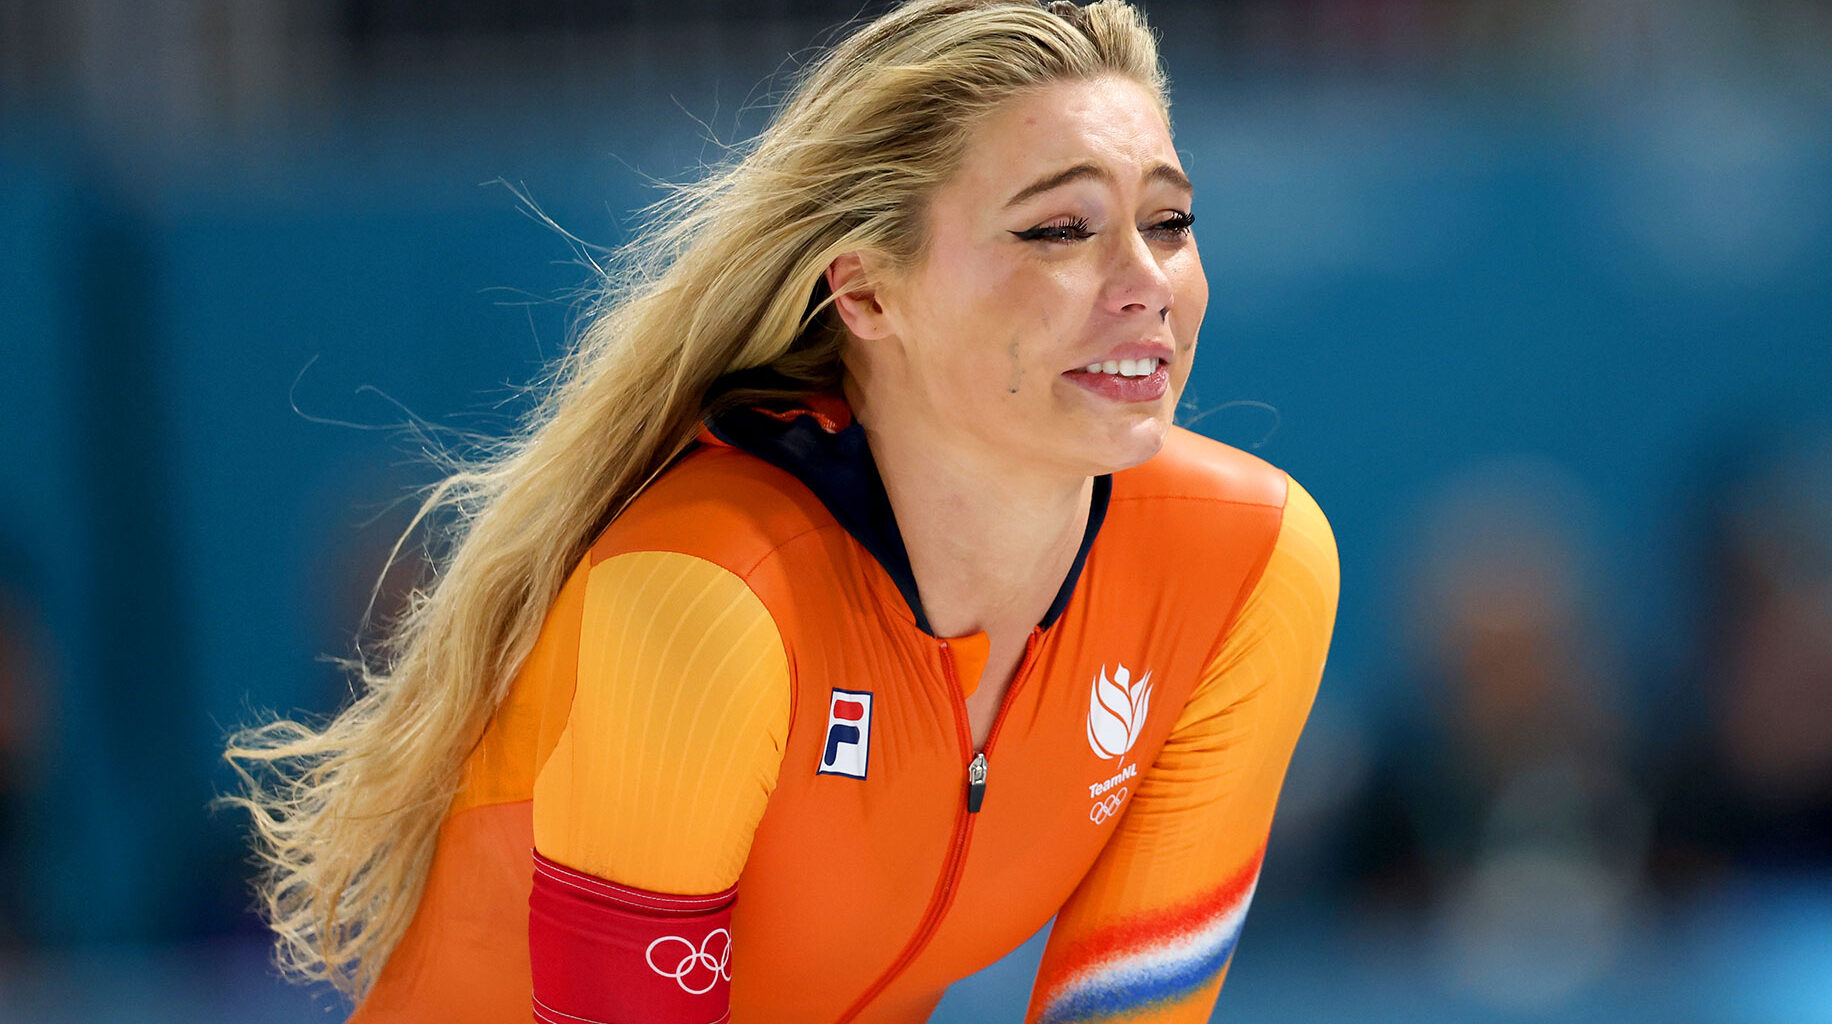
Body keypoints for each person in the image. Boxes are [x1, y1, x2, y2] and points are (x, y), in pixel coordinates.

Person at [224, 1, 1339, 1021]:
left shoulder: (1249, 566)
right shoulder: (704, 601)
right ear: (864, 293)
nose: (1145, 278)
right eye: (1059, 230)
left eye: (1172, 219)